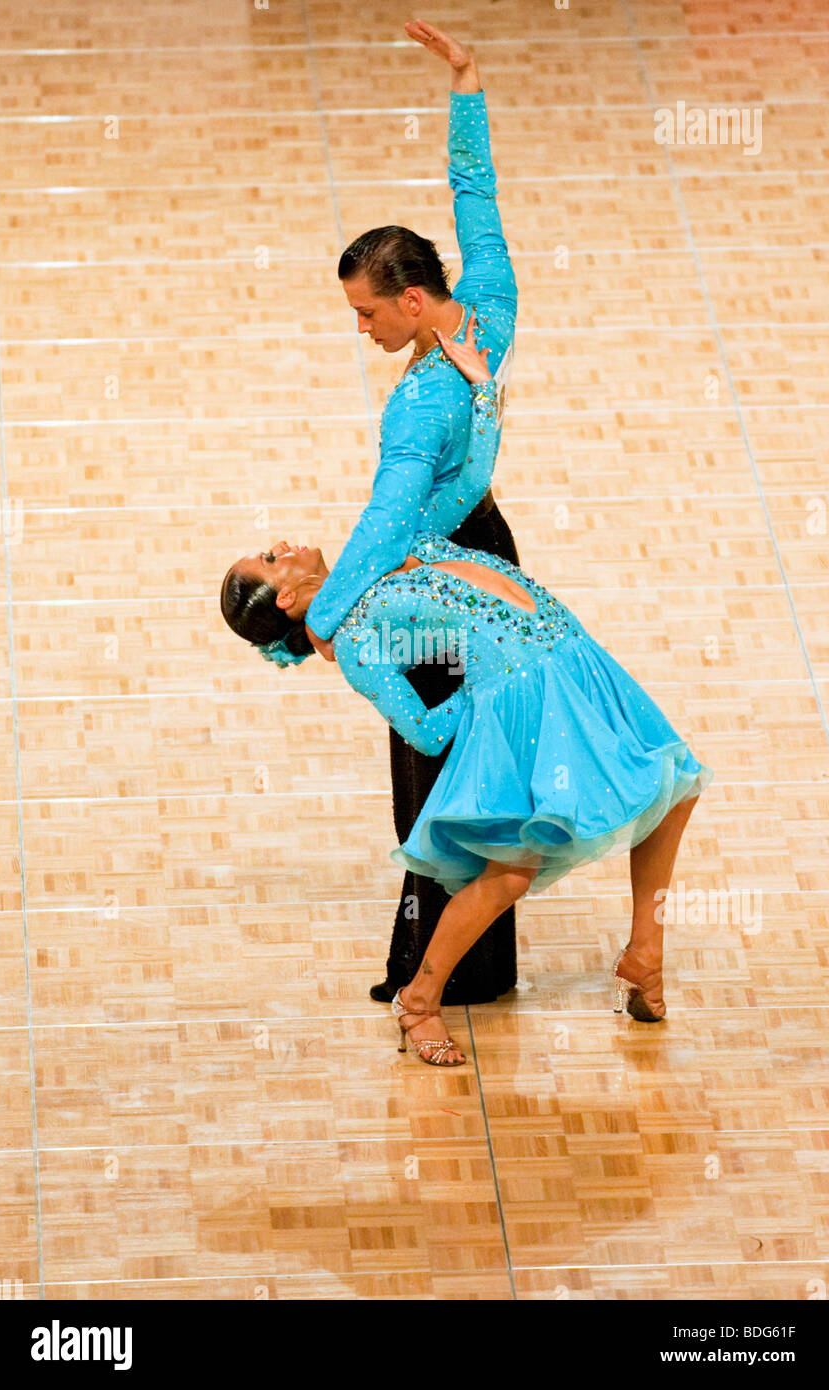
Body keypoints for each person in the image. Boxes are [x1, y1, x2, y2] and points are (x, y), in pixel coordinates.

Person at [220, 326, 714, 1068]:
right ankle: (418, 1001)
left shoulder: (375, 553)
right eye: (268, 557)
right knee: (510, 869)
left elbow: (467, 481)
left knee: (671, 787)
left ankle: (644, 955)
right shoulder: (351, 636)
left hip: (565, 651)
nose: (281, 543)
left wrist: (483, 390)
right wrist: (480, 704)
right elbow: (417, 726)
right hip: (519, 695)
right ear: (286, 600)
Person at [264, 21, 522, 1007]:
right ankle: (472, 963)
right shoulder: (488, 309)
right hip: (494, 552)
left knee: (432, 769)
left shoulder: (419, 402)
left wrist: (329, 612)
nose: (361, 328)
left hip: (435, 580)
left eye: (367, 313)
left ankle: (433, 974)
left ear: (414, 301)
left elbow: (385, 520)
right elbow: (479, 202)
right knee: (476, 759)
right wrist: (467, 80)